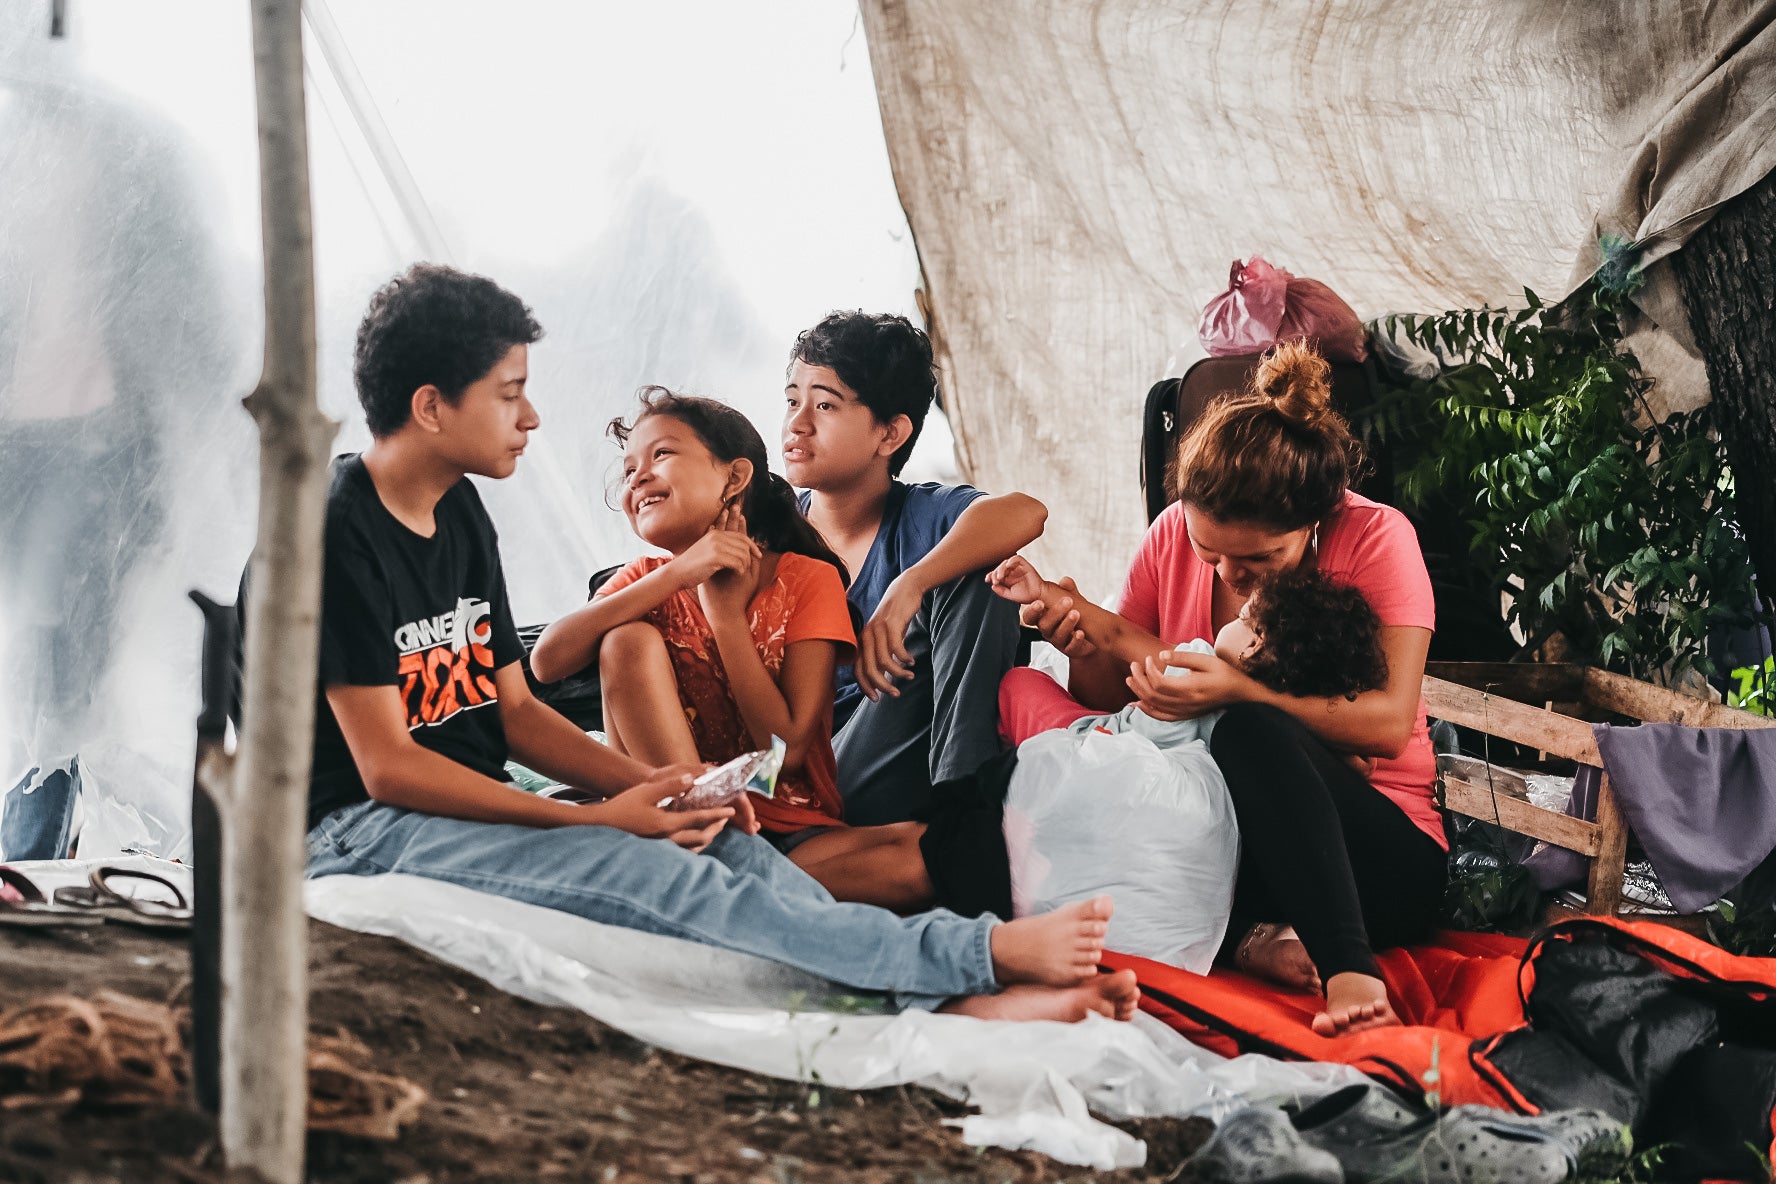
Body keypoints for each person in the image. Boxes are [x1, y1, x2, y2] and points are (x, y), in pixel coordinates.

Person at [255, 263, 1137, 1024]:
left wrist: (662, 787)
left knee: (718, 840)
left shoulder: (460, 519)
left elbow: (514, 709)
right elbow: (387, 770)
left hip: (492, 794)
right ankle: (975, 966)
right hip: (351, 829)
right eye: (510, 394)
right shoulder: (333, 531)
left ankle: (947, 978)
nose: (530, 420)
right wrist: (596, 815)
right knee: (652, 872)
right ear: (432, 407)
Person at [1003, 341, 1445, 1036]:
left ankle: (1345, 966)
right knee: (1043, 719)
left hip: (1369, 862)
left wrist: (1240, 693)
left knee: (1246, 730)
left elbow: (1390, 724)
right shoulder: (1170, 535)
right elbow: (1115, 696)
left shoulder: (1377, 539)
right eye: (1212, 554)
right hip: (1216, 841)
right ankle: (1249, 936)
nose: (1231, 578)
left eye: (1261, 560)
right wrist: (1078, 639)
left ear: (1316, 519)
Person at [532, 389, 931, 911]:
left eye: (662, 454)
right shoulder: (646, 582)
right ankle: (702, 845)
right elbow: (546, 661)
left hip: (781, 819)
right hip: (670, 818)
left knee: (918, 856)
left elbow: (784, 755)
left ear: (734, 478)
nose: (637, 477)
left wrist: (723, 617)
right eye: (628, 469)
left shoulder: (804, 579)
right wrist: (680, 573)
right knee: (625, 639)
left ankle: (726, 880)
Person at [785, 312, 1045, 827]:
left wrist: (911, 584)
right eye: (792, 400)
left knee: (981, 574)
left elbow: (1026, 512)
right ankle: (959, 823)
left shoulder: (921, 515)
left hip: (912, 762)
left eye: (824, 405)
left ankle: (961, 808)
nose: (797, 423)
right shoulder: (768, 533)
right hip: (804, 773)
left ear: (889, 434)